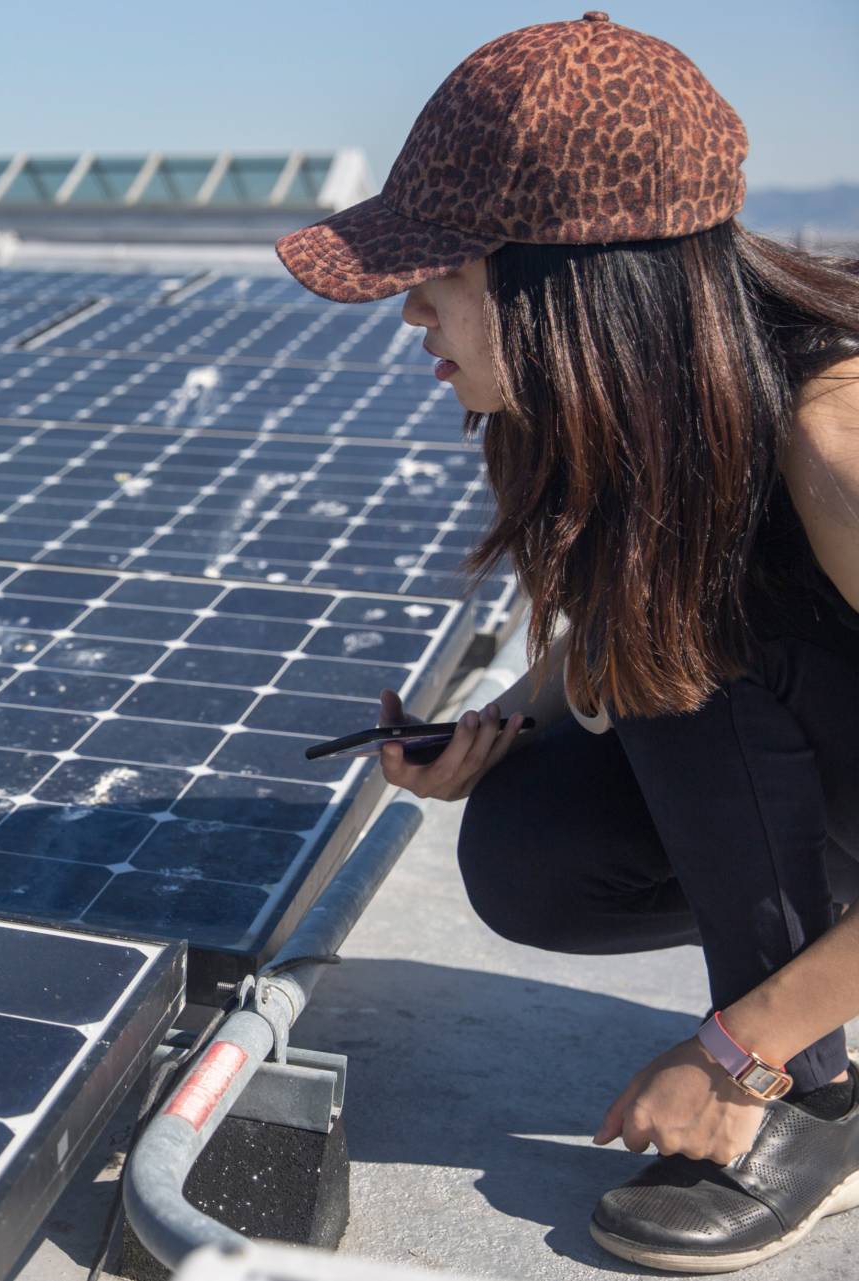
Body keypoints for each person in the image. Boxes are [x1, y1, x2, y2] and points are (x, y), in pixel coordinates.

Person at [273, 10, 859, 1274]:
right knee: (539, 852)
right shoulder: (668, 407)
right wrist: (509, 723)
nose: (410, 308)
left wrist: (737, 1052)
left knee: (694, 640)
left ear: (565, 285)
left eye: (439, 270)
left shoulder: (840, 445)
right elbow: (625, 627)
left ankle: (814, 1099)